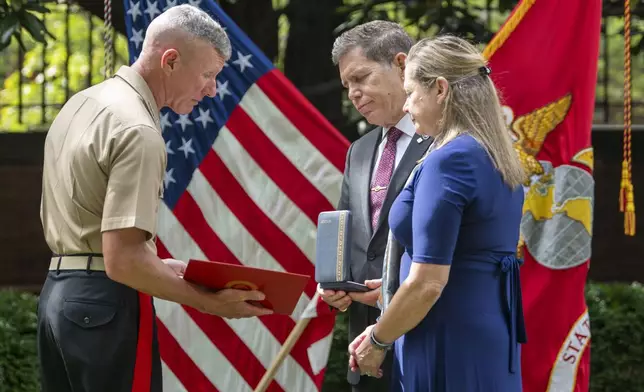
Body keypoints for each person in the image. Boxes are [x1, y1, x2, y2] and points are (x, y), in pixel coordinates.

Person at [37, 5, 272, 392]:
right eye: (208, 74)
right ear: (171, 60)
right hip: (104, 306)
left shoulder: (80, 105)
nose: (212, 89)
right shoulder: (138, 129)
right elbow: (123, 260)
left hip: (58, 299)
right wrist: (212, 303)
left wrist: (155, 263)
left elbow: (98, 232)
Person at [348, 35, 528, 391]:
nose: (407, 106)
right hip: (485, 332)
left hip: (446, 335)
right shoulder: (490, 153)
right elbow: (468, 256)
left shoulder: (450, 160)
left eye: (412, 93)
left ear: (440, 89)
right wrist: (393, 289)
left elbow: (429, 282)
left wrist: (378, 340)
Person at [317, 21, 432, 391]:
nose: (353, 93)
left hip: (422, 340)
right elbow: (349, 235)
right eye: (347, 85)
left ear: (401, 65)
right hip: (365, 350)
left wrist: (394, 287)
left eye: (361, 77)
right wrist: (335, 285)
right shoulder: (360, 150)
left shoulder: (444, 142)